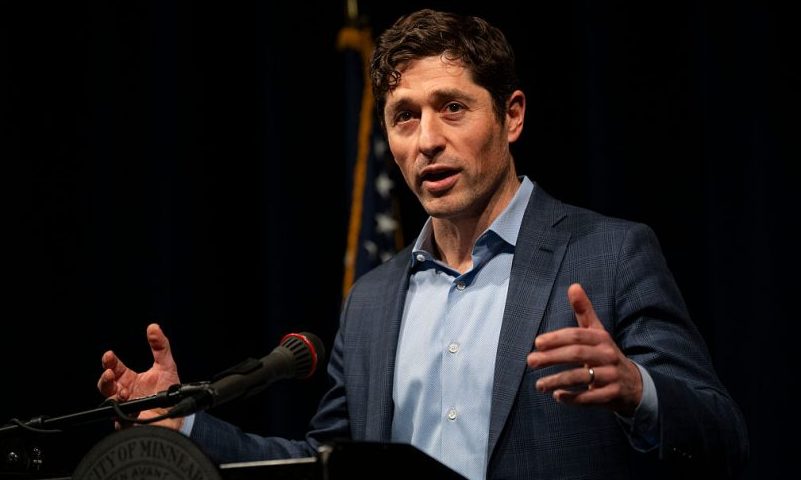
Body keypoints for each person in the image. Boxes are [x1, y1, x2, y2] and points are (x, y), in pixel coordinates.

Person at [97, 8, 749, 480]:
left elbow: (722, 440)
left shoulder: (611, 255)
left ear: (511, 115)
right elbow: (320, 464)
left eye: (452, 108)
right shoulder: (373, 300)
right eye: (404, 116)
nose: (426, 139)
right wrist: (179, 424)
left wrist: (639, 390)